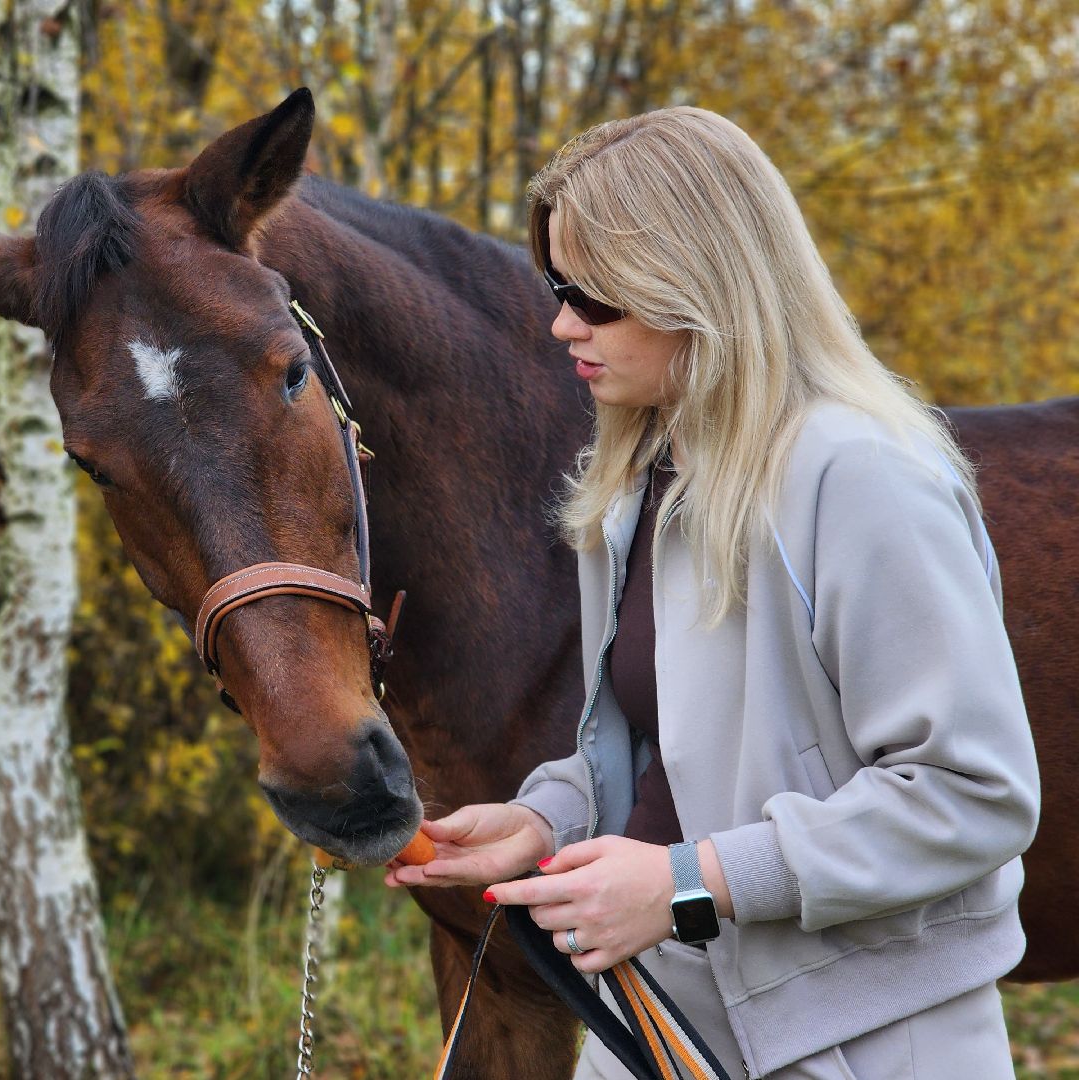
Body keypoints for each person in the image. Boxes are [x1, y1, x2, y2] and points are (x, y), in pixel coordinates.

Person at [386, 107, 1040, 1079]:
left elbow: (973, 794)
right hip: (659, 1019)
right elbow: (673, 755)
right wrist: (547, 819)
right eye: (558, 288)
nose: (563, 323)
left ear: (694, 284)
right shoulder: (644, 476)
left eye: (593, 296)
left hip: (860, 1040)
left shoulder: (861, 476)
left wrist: (690, 886)